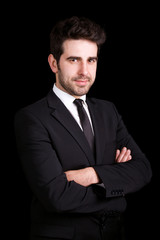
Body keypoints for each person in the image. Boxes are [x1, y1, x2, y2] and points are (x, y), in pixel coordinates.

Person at [14, 16, 152, 240]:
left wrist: (90, 175)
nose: (84, 71)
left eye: (91, 60)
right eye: (74, 59)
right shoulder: (32, 118)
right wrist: (117, 186)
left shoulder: (108, 111)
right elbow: (56, 196)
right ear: (53, 63)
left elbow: (143, 170)